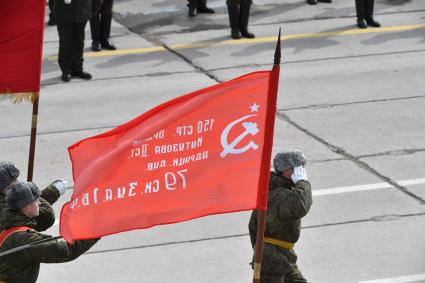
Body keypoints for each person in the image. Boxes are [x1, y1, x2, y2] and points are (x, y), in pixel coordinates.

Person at [0, 182, 99, 283]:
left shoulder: (7, 224)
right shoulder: (25, 239)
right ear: (27, 207)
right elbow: (67, 250)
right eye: (36, 200)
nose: (39, 203)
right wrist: (95, 230)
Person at [249, 150, 313, 282]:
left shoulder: (276, 190)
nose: (302, 171)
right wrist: (302, 182)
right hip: (272, 262)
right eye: (298, 168)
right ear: (288, 171)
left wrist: (260, 251)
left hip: (281, 257)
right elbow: (299, 207)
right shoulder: (279, 195)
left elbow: (253, 226)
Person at [0, 162, 67, 232]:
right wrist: (53, 191)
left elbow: (28, 203)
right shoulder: (6, 211)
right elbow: (46, 215)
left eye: (17, 181)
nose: (17, 185)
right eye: (11, 187)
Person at [54, 0, 101, 82]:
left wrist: (94, 7)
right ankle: (66, 69)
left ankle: (78, 68)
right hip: (63, 10)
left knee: (79, 41)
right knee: (66, 41)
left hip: (83, 9)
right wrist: (54, 9)